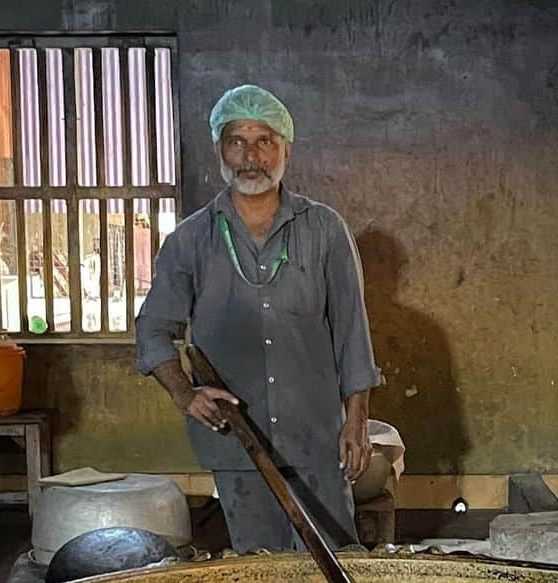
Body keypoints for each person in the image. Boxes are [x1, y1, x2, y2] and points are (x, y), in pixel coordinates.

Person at [135, 84, 383, 553]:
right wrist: (184, 393)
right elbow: (153, 328)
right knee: (260, 573)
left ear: (286, 148)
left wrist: (356, 421)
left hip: (315, 440)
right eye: (237, 141)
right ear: (219, 149)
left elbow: (352, 334)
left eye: (265, 141)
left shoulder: (325, 230)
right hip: (236, 444)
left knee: (332, 571)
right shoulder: (191, 240)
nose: (251, 156)